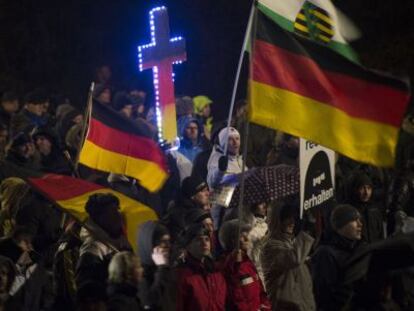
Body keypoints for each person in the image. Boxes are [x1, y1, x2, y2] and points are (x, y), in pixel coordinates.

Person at [261, 202, 315, 311]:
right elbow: (294, 258)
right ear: (276, 220)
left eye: (294, 218)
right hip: (286, 306)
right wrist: (306, 231)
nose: (292, 222)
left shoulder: (293, 242)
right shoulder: (270, 246)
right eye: (287, 218)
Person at [312, 204, 365, 310]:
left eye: (360, 220)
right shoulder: (325, 253)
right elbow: (325, 295)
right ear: (340, 225)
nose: (360, 224)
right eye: (354, 220)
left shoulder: (358, 248)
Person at [76, 193, 131, 287]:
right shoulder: (93, 248)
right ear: (100, 218)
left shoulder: (121, 239)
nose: (119, 216)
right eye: (112, 213)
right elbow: (86, 287)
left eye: (117, 210)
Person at [219, 220, 271, 310]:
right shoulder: (229, 266)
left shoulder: (248, 262)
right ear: (232, 240)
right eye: (242, 235)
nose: (247, 238)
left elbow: (261, 292)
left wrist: (265, 307)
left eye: (247, 233)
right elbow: (234, 295)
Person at [175, 224, 228, 311]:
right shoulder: (182, 275)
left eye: (207, 239)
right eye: (198, 240)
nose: (204, 243)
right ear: (188, 245)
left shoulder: (216, 271)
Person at [136, 221, 175, 310]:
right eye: (163, 241)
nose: (168, 245)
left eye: (169, 241)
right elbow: (151, 303)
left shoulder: (169, 265)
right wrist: (162, 268)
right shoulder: (139, 273)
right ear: (149, 243)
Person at [163, 175, 210, 240]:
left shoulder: (181, 208)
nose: (207, 193)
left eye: (207, 189)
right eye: (203, 191)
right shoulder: (188, 216)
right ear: (192, 196)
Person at [346, 173, 384, 243]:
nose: (366, 192)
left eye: (369, 188)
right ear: (354, 189)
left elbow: (381, 235)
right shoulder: (348, 212)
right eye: (362, 188)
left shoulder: (375, 210)